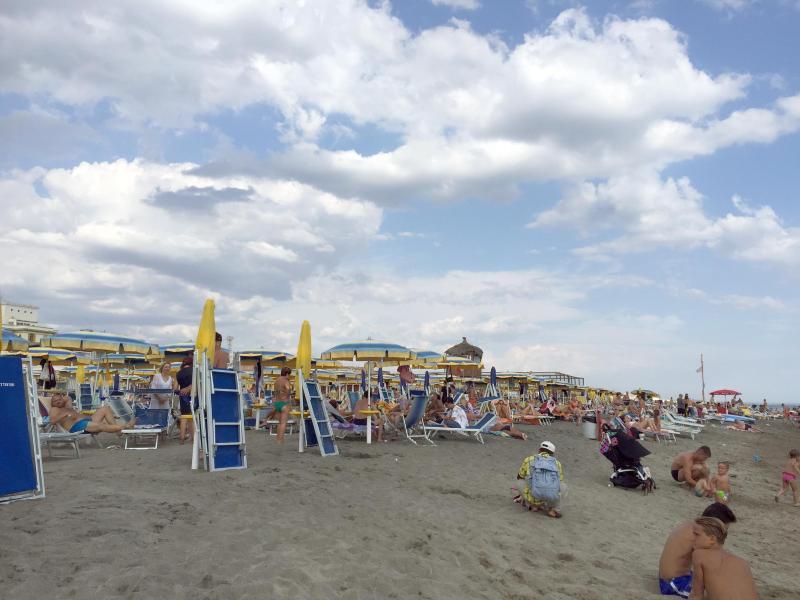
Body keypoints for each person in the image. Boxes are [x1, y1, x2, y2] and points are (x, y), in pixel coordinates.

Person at [659, 503, 737, 597]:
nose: (724, 534)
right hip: (673, 584)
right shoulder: (699, 536)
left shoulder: (690, 526)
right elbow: (712, 563)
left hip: (673, 578)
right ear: (714, 524)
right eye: (724, 529)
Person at [689, 516, 758, 599]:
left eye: (696, 534)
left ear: (712, 539)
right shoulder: (741, 562)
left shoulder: (699, 554)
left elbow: (697, 594)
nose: (691, 538)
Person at [512, 441, 563, 518]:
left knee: (519, 482)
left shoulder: (529, 459)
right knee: (563, 486)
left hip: (532, 496)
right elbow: (560, 481)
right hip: (549, 498)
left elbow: (520, 477)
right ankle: (553, 509)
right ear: (552, 453)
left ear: (539, 450)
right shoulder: (557, 463)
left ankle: (533, 505)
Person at [48, 392, 135, 434]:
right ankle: (125, 426)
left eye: (59, 399)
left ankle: (118, 432)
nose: (58, 402)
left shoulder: (67, 406)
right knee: (101, 426)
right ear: (52, 403)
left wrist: (62, 399)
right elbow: (52, 421)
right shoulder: (55, 409)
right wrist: (64, 415)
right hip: (77, 426)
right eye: (55, 401)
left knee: (105, 408)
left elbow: (68, 398)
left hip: (87, 420)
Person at [266, 366, 292, 443]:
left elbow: (276, 392)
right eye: (289, 374)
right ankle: (280, 440)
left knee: (279, 423)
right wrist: (288, 395)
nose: (289, 376)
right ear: (287, 373)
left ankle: (278, 439)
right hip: (284, 403)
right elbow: (288, 389)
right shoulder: (286, 380)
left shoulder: (276, 381)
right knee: (283, 423)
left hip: (277, 403)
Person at [175, 356, 194, 444]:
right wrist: (188, 388)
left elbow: (175, 389)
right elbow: (195, 384)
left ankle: (182, 438)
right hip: (192, 395)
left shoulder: (178, 373)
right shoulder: (194, 371)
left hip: (183, 397)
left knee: (184, 417)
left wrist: (182, 391)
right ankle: (192, 437)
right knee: (192, 417)